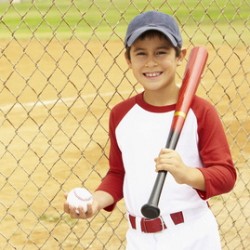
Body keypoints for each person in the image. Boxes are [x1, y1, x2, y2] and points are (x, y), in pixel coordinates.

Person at [64, 11, 236, 250]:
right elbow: (118, 173)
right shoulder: (121, 114)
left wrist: (186, 174)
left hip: (192, 235)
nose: (151, 62)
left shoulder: (201, 111)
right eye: (141, 53)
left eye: (161, 52)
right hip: (139, 239)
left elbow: (226, 176)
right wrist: (95, 202)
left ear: (180, 56)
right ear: (128, 59)